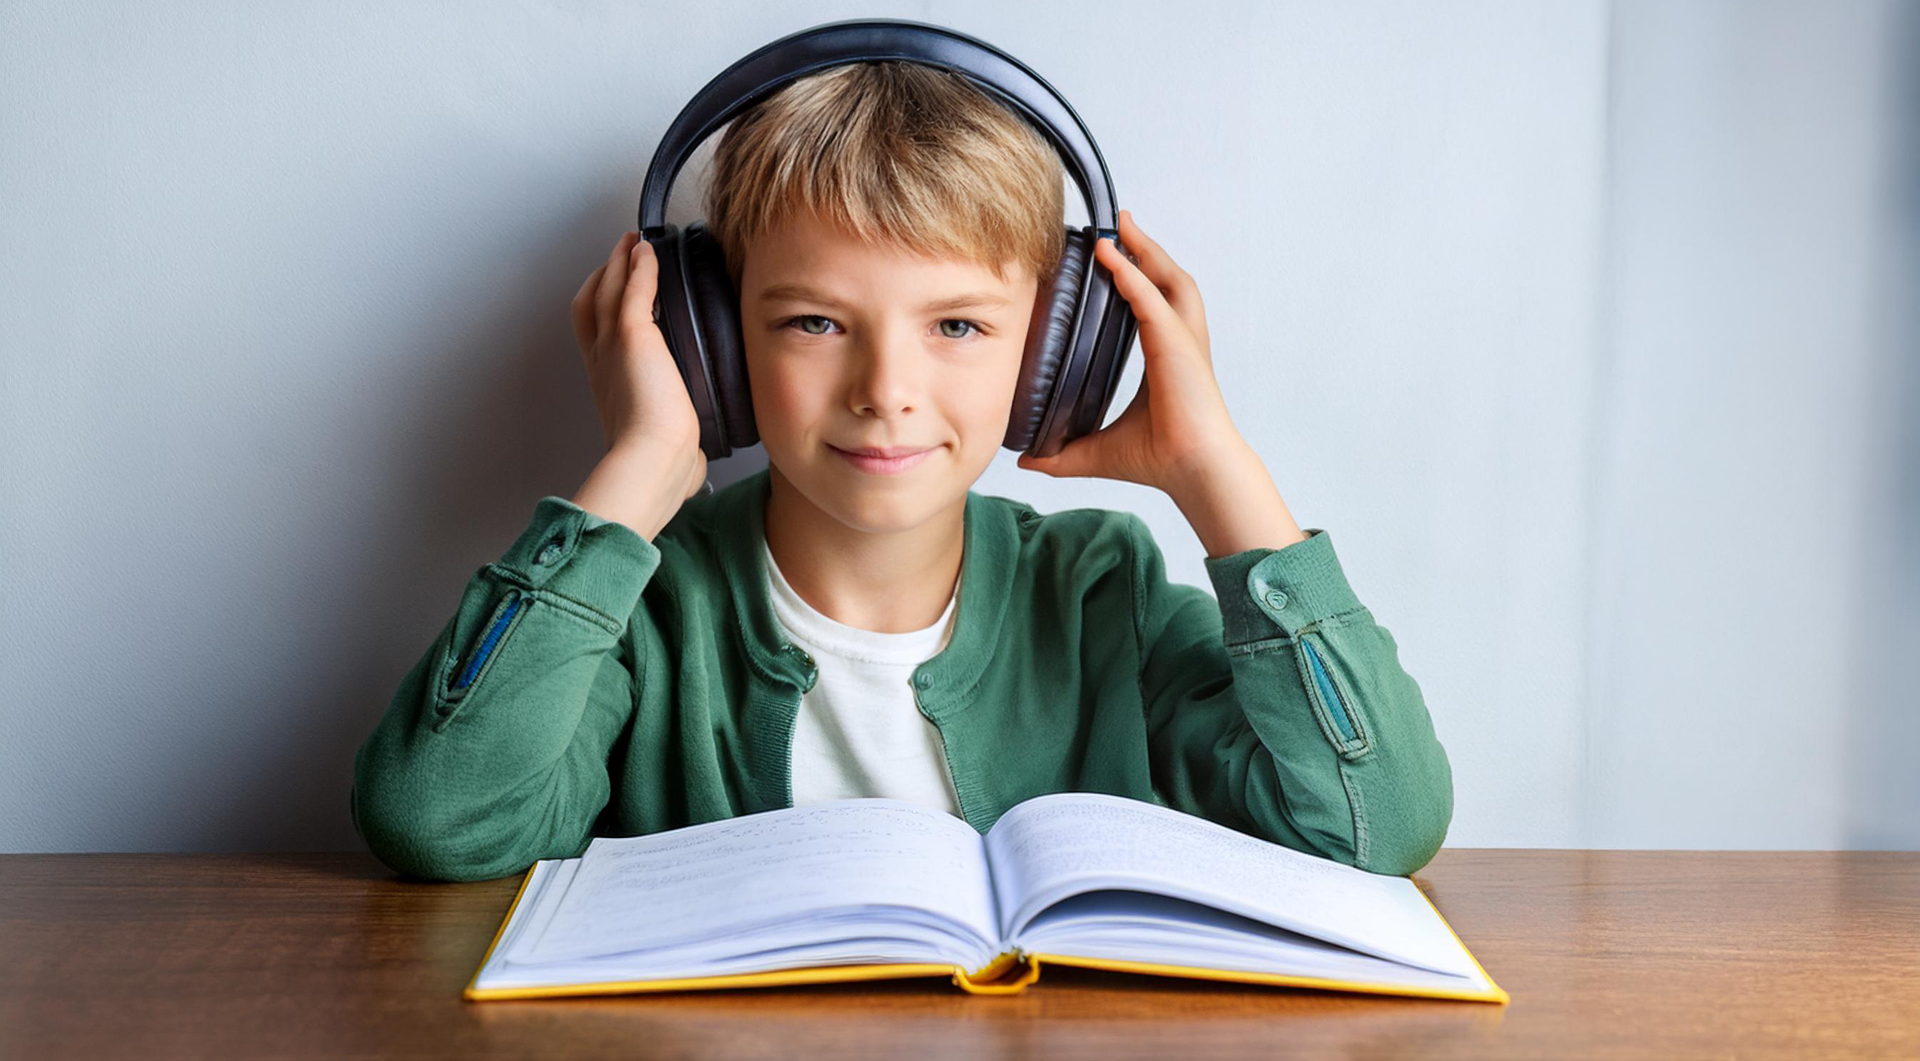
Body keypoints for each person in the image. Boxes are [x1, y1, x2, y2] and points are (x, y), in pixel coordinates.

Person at [349, 60, 1452, 883]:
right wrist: (640, 469)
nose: (887, 388)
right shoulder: (651, 607)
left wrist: (1218, 475)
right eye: (816, 321)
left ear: (1056, 356)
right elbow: (438, 820)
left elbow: (1376, 824)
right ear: (712, 346)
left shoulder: (1098, 590)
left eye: (960, 326)